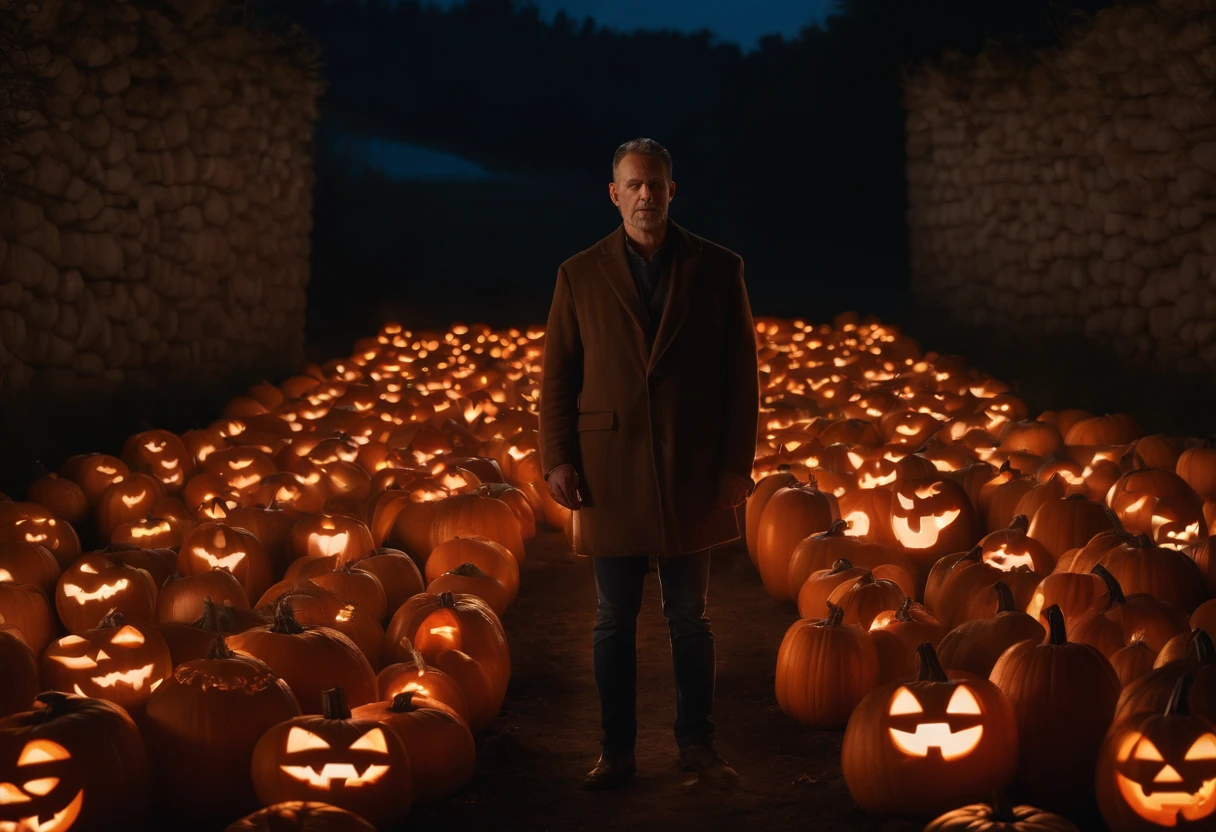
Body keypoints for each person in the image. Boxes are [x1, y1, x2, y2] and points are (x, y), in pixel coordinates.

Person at [538, 137, 760, 791]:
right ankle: (617, 750)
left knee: (690, 617)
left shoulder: (719, 268)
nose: (645, 195)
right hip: (611, 466)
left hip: (693, 465)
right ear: (614, 193)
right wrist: (556, 457)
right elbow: (558, 376)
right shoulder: (578, 274)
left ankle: (697, 743)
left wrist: (735, 464)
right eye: (633, 185)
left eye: (656, 184)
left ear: (672, 190)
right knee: (613, 617)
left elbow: (740, 378)